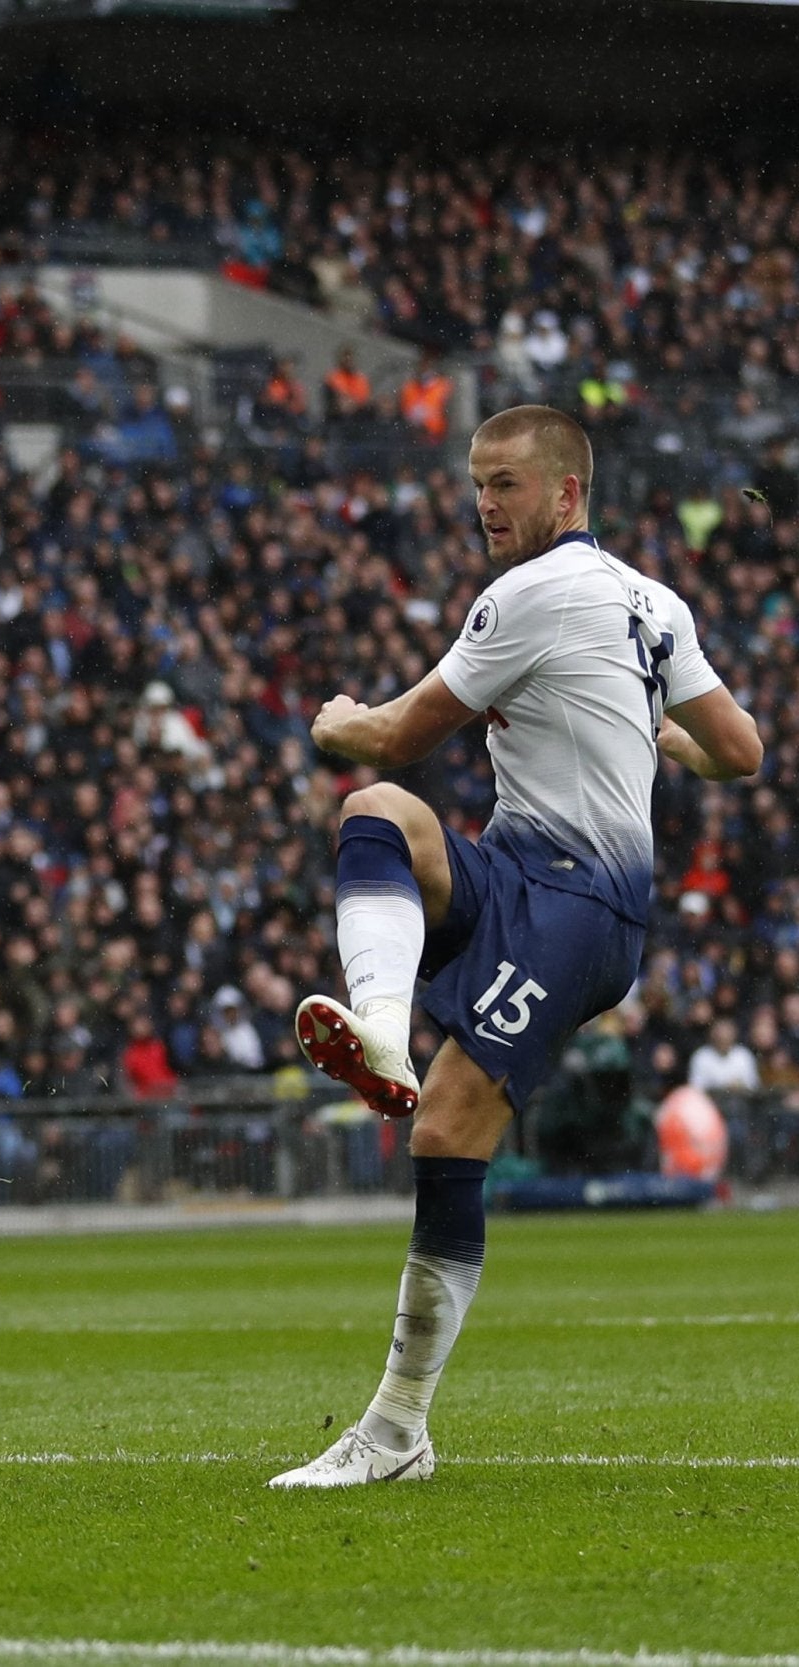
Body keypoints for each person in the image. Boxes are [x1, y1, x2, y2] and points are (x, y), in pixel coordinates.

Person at [272, 405, 760, 1488]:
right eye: (475, 483)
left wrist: (336, 715)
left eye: (502, 484)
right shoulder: (651, 599)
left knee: (444, 1124)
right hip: (521, 874)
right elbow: (741, 748)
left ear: (564, 494)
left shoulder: (532, 591)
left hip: (577, 903)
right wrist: (660, 733)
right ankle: (381, 1032)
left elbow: (400, 727)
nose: (483, 504)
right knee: (379, 815)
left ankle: (395, 1433)